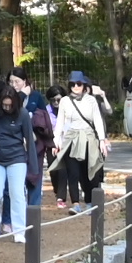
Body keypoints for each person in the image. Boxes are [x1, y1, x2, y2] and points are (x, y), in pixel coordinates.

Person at [0, 74, 37, 241]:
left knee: (17, 193)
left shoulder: (23, 114)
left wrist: (33, 166)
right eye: (3, 105)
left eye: (9, 106)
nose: (6, 108)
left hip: (17, 158)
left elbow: (29, 141)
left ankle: (19, 230)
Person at [50, 75, 107, 211]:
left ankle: (89, 202)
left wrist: (102, 140)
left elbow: (97, 120)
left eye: (79, 84)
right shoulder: (64, 101)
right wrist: (56, 141)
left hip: (88, 138)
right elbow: (60, 122)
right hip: (71, 139)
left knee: (89, 172)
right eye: (73, 84)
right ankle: (75, 204)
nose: (76, 87)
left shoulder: (91, 100)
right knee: (73, 173)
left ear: (84, 85)